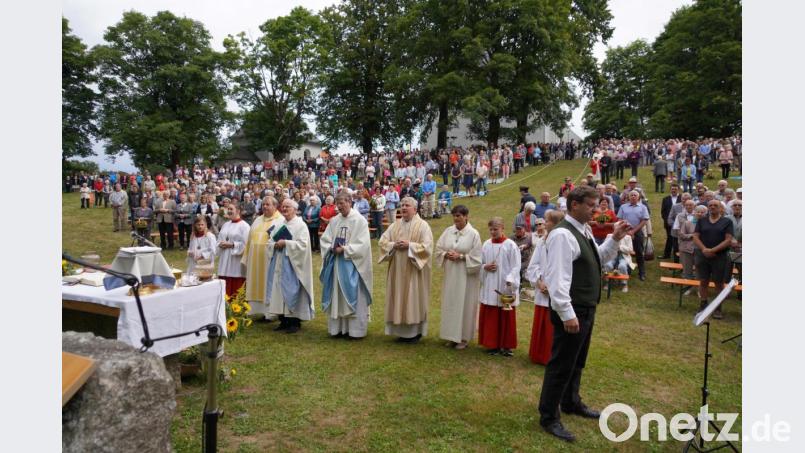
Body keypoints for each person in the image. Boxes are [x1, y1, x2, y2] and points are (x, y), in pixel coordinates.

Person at [538, 186, 629, 442]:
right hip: (573, 309)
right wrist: (567, 314)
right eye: (591, 205)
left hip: (585, 307)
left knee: (577, 361)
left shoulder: (584, 230)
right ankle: (549, 416)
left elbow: (597, 258)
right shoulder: (562, 236)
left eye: (597, 205)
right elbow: (557, 280)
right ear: (574, 204)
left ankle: (571, 401)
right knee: (561, 363)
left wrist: (615, 238)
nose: (596, 210)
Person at [378, 197, 433, 343]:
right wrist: (393, 245)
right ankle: (401, 331)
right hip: (397, 269)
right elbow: (382, 242)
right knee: (398, 297)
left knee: (413, 298)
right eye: (402, 205)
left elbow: (427, 247)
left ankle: (415, 332)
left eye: (407, 205)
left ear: (415, 209)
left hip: (414, 270)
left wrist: (410, 245)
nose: (403, 208)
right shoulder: (395, 225)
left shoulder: (423, 226)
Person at [320, 192, 374, 339]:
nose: (339, 206)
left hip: (353, 266)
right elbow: (325, 240)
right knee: (336, 296)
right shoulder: (334, 221)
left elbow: (363, 245)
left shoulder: (359, 221)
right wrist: (332, 247)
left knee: (354, 296)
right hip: (336, 265)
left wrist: (345, 249)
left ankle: (355, 331)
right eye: (337, 203)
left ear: (350, 202)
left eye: (342, 203)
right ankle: (338, 329)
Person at [435, 205, 482, 350]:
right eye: (454, 216)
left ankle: (463, 337)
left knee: (465, 304)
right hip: (451, 275)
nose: (456, 219)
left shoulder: (474, 234)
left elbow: (477, 258)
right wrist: (445, 254)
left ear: (466, 216)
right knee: (451, 303)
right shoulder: (448, 231)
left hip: (466, 276)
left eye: (459, 216)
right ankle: (451, 336)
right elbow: (438, 248)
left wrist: (461, 257)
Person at [265, 199, 315, 333]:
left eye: (288, 207)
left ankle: (294, 322)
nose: (285, 209)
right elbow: (270, 241)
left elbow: (303, 245)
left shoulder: (300, 225)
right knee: (278, 291)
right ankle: (283, 320)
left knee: (292, 290)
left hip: (293, 265)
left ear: (295, 209)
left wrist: (286, 243)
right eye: (283, 207)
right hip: (279, 262)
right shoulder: (279, 223)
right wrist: (275, 245)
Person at [525, 209, 564, 365]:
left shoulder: (565, 241)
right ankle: (538, 354)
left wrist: (553, 287)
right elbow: (532, 266)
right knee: (542, 323)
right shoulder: (542, 242)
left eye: (547, 221)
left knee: (554, 326)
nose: (543, 224)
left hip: (557, 292)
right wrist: (539, 282)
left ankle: (552, 356)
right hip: (542, 290)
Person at [478, 217, 521, 357]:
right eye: (490, 229)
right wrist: (485, 267)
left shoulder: (510, 245)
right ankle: (492, 344)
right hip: (490, 285)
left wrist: (510, 280)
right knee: (492, 314)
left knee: (506, 314)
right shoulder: (486, 244)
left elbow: (516, 266)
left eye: (495, 229)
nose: (493, 232)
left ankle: (506, 345)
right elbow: (480, 263)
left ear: (502, 228)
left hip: (505, 286)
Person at [692, 199, 734, 319]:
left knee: (719, 283)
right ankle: (703, 305)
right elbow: (695, 236)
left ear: (721, 208)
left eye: (715, 205)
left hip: (719, 256)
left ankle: (718, 308)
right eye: (710, 205)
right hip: (703, 255)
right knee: (703, 281)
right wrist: (704, 249)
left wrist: (713, 250)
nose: (712, 207)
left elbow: (728, 239)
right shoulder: (702, 221)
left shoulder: (727, 222)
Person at [241, 196, 282, 319]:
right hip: (255, 260)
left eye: (268, 204)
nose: (264, 207)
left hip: (270, 259)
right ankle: (256, 310)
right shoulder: (258, 220)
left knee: (268, 283)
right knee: (255, 282)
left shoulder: (280, 221)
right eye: (263, 204)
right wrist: (246, 256)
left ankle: (270, 313)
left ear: (275, 206)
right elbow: (249, 239)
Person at [216, 203, 251, 297]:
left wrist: (232, 245)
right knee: (224, 285)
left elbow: (246, 245)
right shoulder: (225, 225)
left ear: (238, 211)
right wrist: (220, 244)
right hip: (224, 259)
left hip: (236, 261)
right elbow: (219, 239)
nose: (229, 211)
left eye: (231, 209)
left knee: (236, 289)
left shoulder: (245, 226)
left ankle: (236, 308)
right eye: (228, 209)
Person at [617, 190, 650, 281]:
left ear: (638, 197)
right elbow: (620, 219)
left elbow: (644, 220)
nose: (633, 196)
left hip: (638, 232)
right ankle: (627, 271)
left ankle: (642, 272)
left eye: (635, 195)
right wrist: (627, 230)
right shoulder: (623, 207)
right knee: (625, 251)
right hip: (625, 231)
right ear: (628, 197)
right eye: (631, 195)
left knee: (639, 252)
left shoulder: (643, 207)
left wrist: (633, 231)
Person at [677, 203, 704, 281]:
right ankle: (687, 287)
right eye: (698, 211)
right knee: (687, 270)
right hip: (687, 249)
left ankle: (699, 289)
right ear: (694, 212)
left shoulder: (707, 225)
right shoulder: (687, 223)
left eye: (702, 212)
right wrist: (692, 235)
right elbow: (681, 235)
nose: (699, 214)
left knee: (700, 271)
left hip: (701, 250)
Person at [660, 183, 682, 259]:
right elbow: (663, 212)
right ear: (670, 190)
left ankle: (678, 255)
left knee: (679, 239)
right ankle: (666, 254)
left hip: (681, 223)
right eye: (672, 189)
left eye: (675, 189)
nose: (674, 190)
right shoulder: (665, 199)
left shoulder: (682, 198)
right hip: (669, 223)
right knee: (669, 238)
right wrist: (668, 221)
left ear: (678, 190)